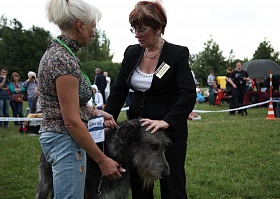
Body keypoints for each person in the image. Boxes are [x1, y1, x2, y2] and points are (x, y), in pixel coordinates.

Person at [105, 1, 196, 198]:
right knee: (140, 188)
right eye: (134, 29)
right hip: (137, 134)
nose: (136, 34)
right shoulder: (132, 52)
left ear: (158, 28)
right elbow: (119, 89)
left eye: (142, 29)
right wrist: (108, 117)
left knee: (172, 185)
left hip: (169, 132)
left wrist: (167, 121)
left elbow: (188, 93)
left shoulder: (177, 54)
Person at [38, 0, 125, 198]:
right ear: (80, 26)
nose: (94, 32)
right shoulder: (63, 60)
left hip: (59, 138)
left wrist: (95, 112)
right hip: (65, 141)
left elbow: (66, 104)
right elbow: (70, 120)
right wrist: (102, 160)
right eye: (93, 26)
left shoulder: (60, 54)